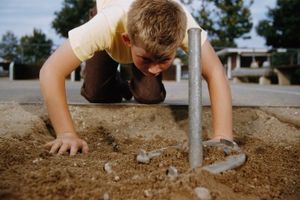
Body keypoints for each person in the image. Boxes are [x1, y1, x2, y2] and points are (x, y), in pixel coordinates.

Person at [40, 0, 233, 156]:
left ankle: (136, 78)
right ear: (127, 40)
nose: (155, 69)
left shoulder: (184, 24)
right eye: (147, 59)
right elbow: (51, 71)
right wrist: (66, 133)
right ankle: (118, 83)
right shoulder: (105, 25)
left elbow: (215, 72)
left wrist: (223, 135)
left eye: (164, 59)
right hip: (109, 30)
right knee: (96, 93)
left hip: (145, 37)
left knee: (150, 96)